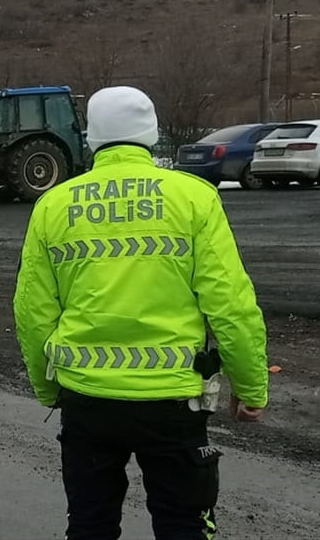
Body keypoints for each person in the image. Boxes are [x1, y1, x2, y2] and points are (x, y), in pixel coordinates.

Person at [14, 85, 268, 540]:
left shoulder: (53, 204)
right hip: (173, 404)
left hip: (87, 400)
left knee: (90, 525)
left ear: (92, 138)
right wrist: (250, 387)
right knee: (183, 525)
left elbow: (32, 312)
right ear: (150, 135)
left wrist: (48, 388)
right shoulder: (193, 198)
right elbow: (231, 303)